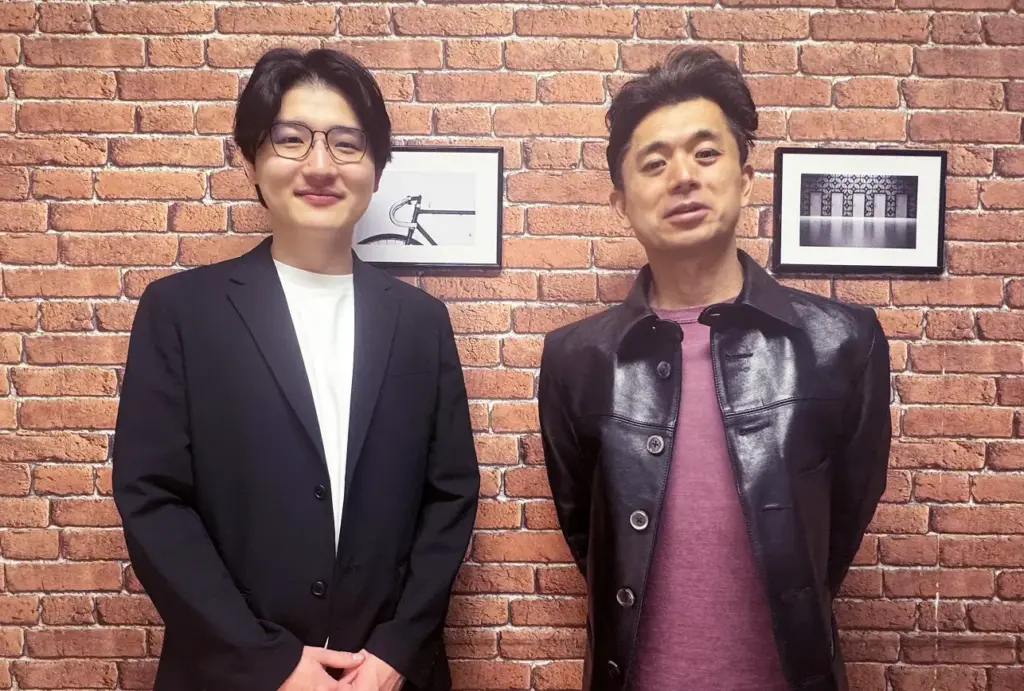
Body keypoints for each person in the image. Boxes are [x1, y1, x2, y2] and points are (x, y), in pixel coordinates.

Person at [112, 47, 480, 691]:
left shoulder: (420, 321)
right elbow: (152, 499)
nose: (320, 165)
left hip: (384, 676)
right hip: (229, 674)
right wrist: (268, 660)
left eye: (346, 143)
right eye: (291, 139)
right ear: (251, 159)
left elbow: (449, 495)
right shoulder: (182, 311)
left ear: (376, 168)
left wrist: (396, 650)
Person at [537, 46, 891, 691]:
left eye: (706, 154)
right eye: (654, 163)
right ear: (621, 201)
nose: (683, 177)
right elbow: (591, 536)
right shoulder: (576, 359)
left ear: (746, 179)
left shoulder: (841, 342)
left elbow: (835, 531)